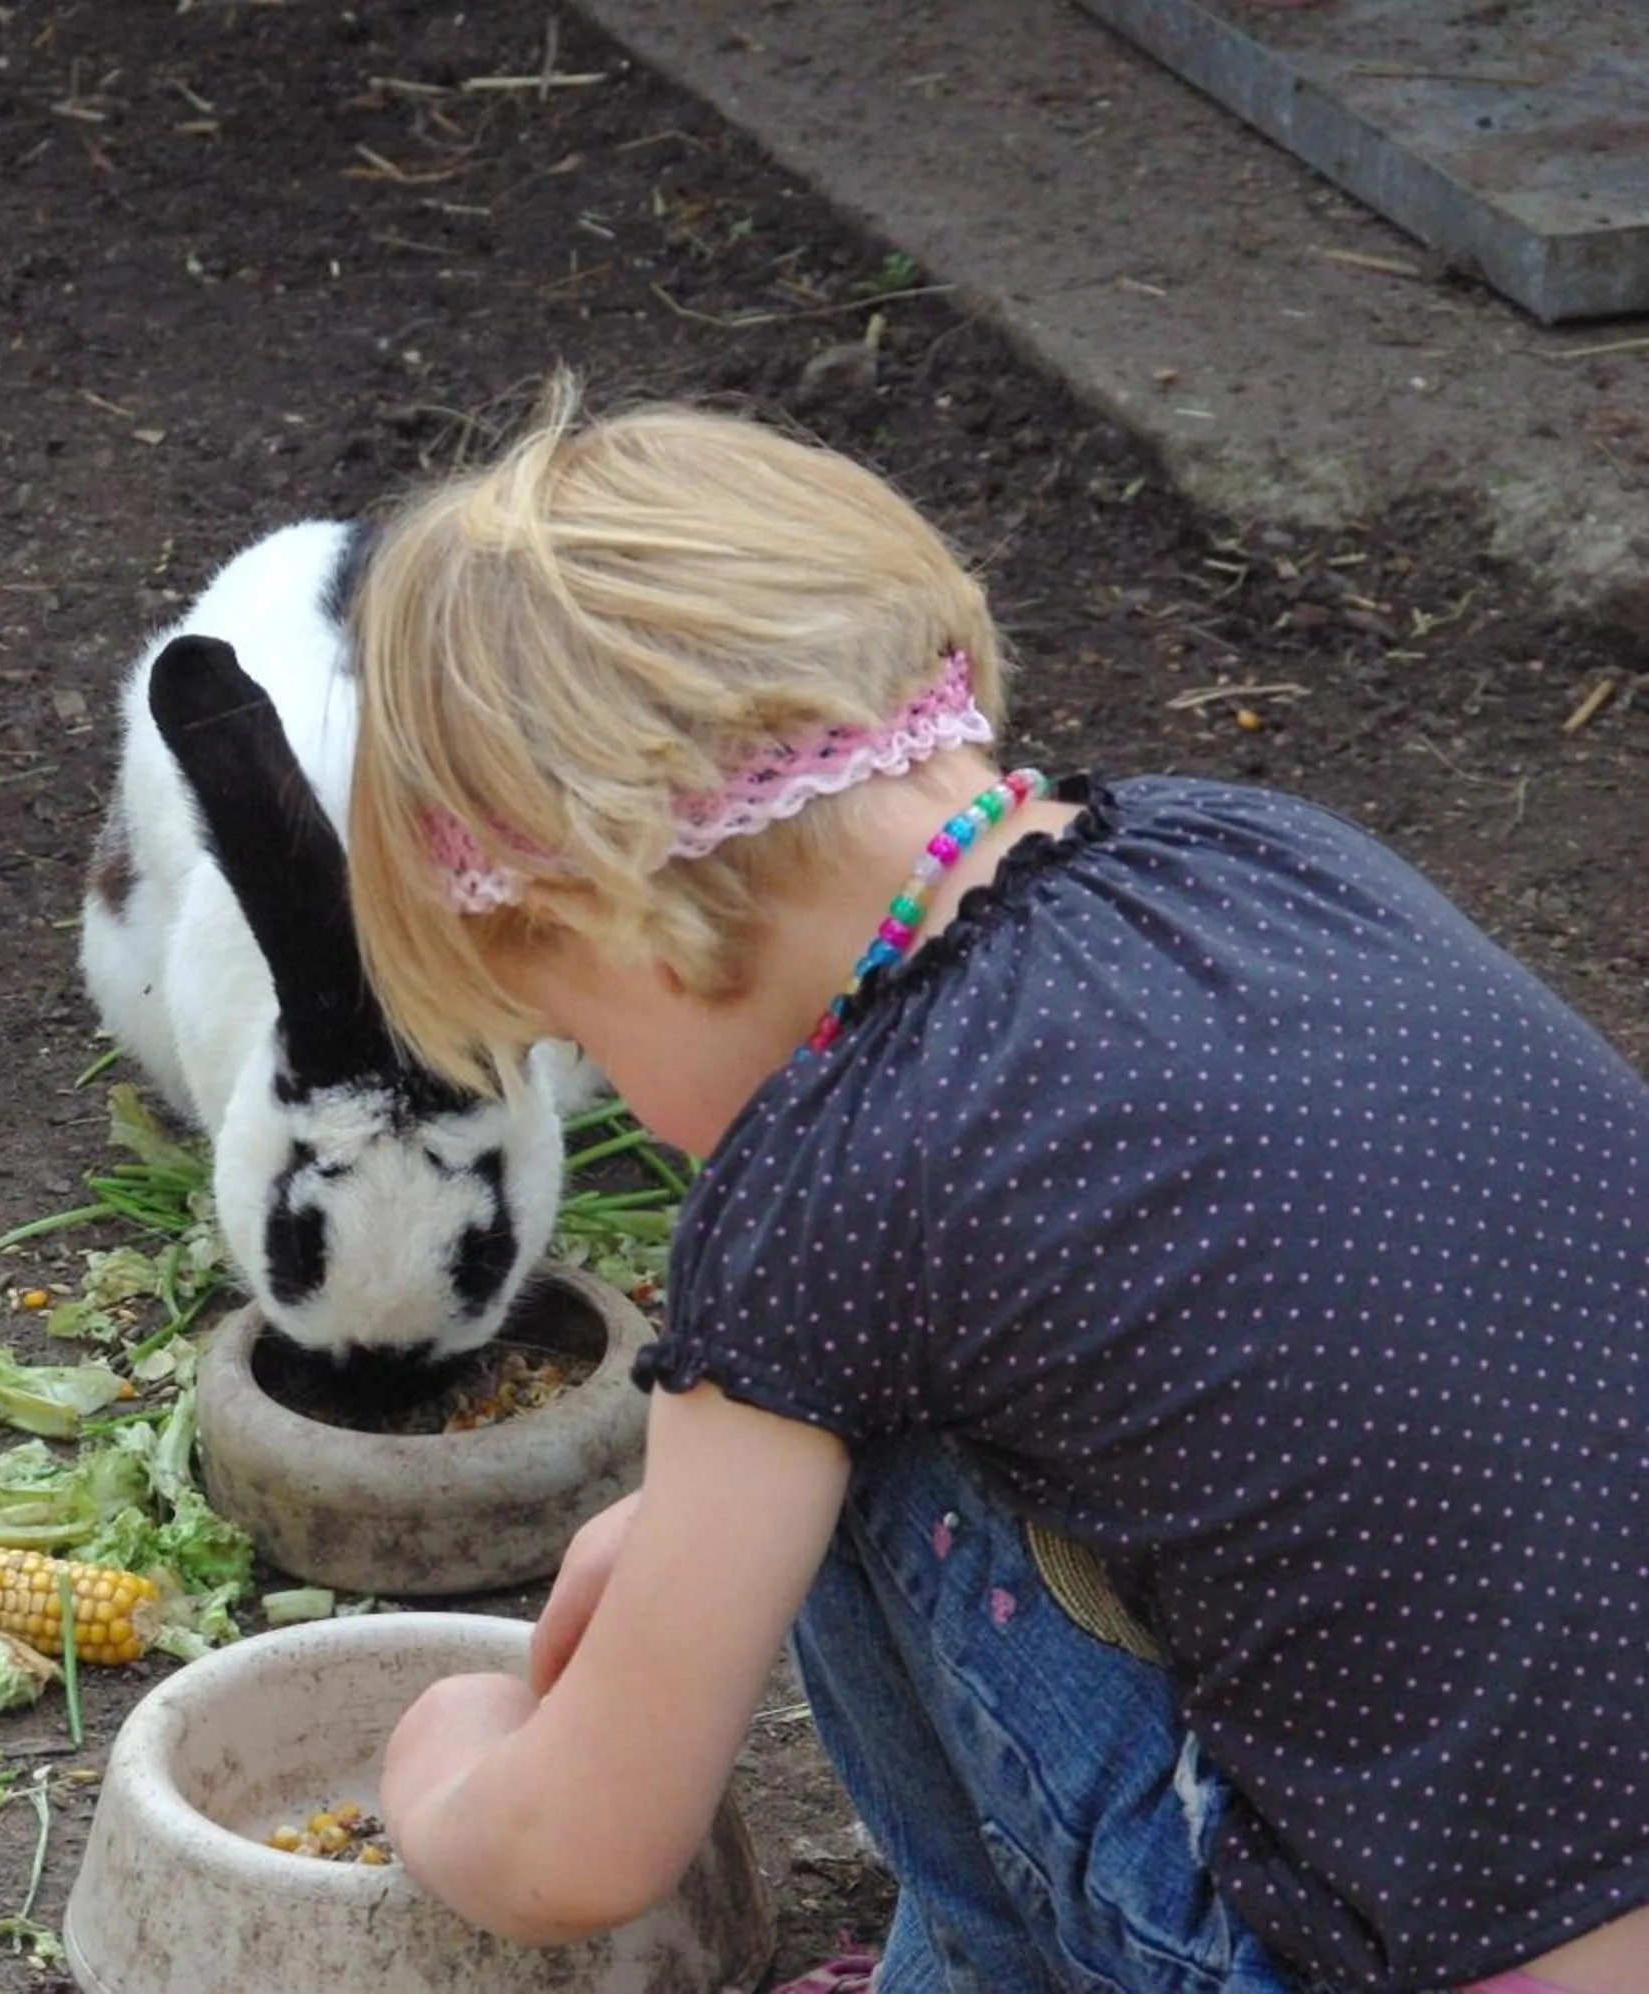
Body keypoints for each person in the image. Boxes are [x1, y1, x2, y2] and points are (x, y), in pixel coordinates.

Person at [339, 384, 1649, 1994]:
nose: (601, 1085)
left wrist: (441, 1771)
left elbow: (581, 1850)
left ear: (606, 921)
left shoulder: (830, 1182)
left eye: (570, 1034)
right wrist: (688, 1520)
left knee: (828, 1392)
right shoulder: (1244, 847)